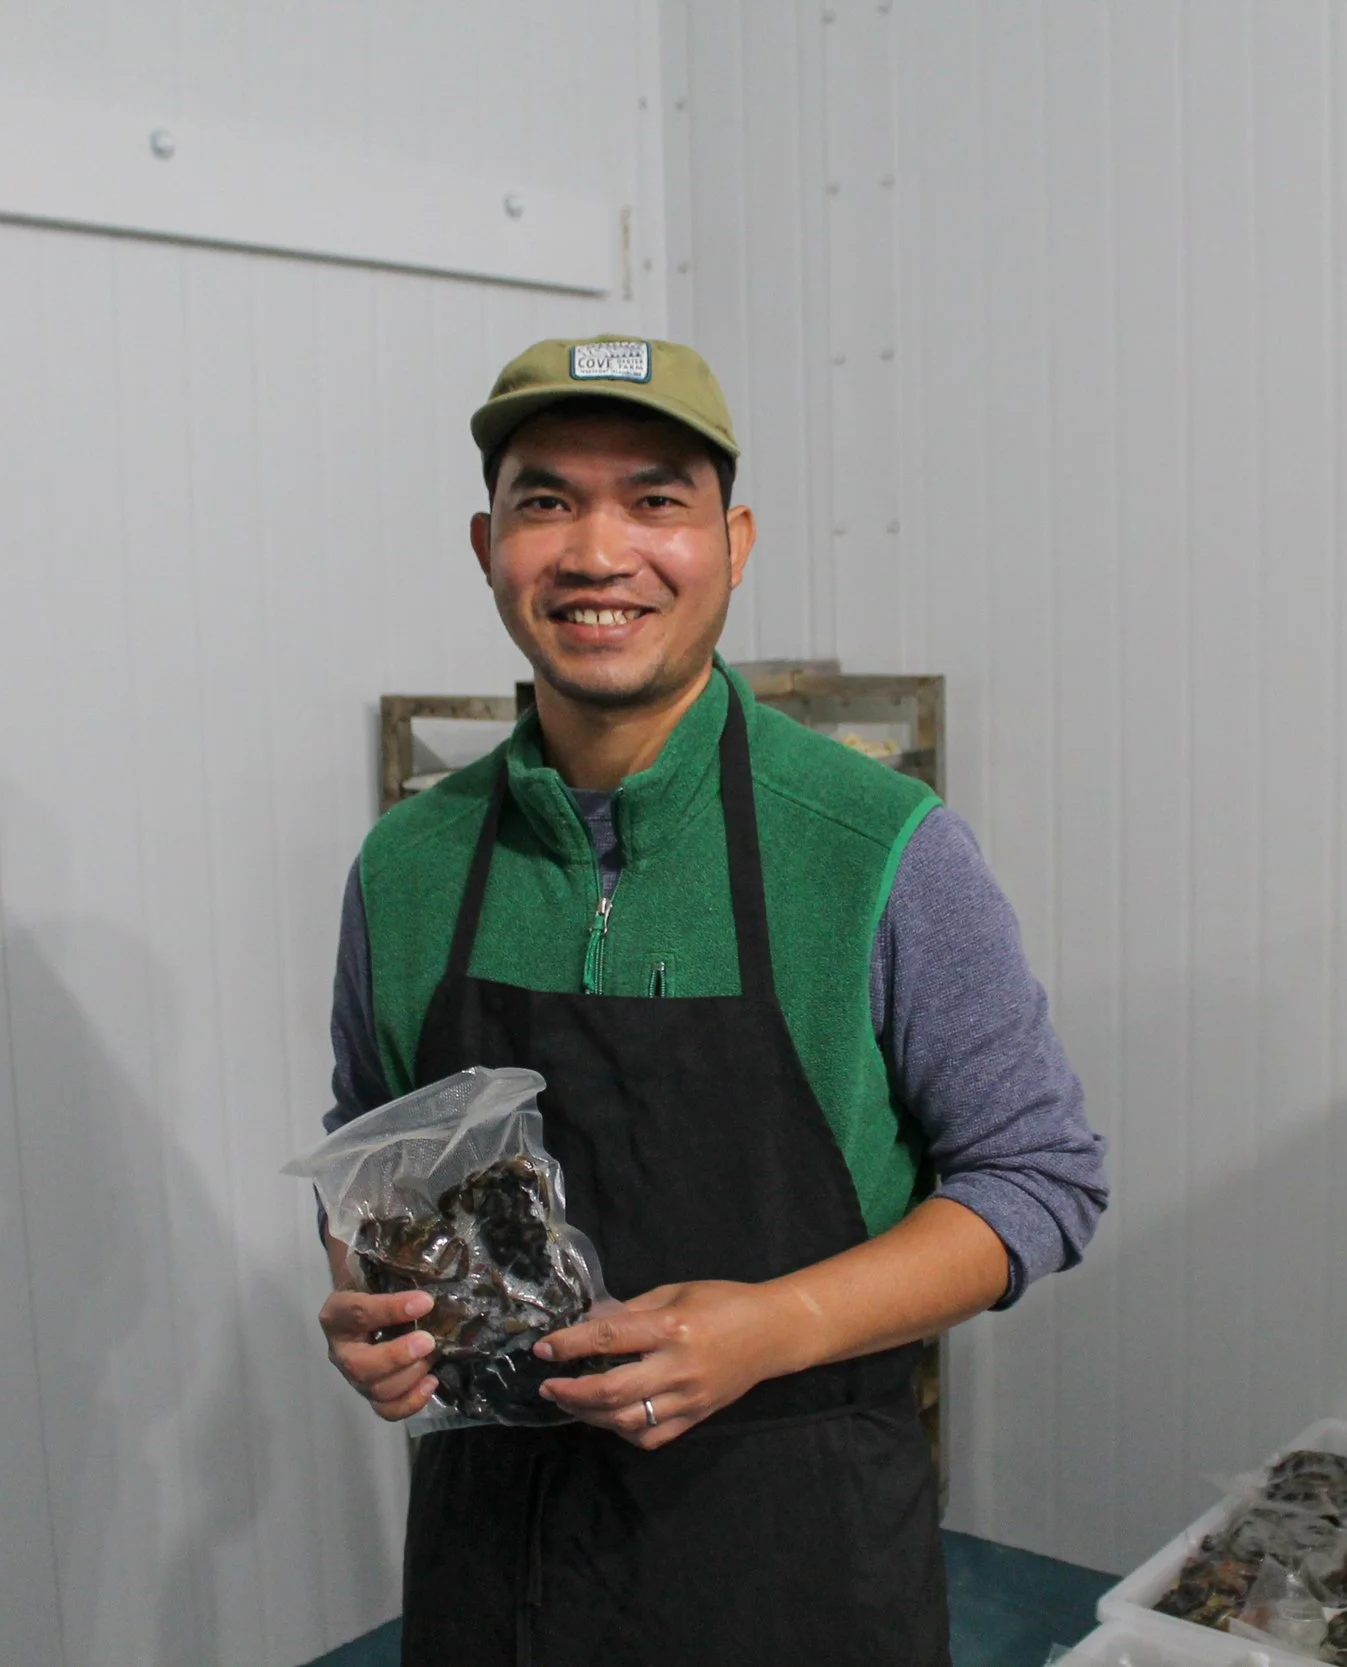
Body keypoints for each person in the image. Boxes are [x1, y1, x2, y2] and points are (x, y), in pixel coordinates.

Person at [315, 334, 1108, 1666]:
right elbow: (366, 1156)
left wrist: (775, 1323)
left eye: (656, 499)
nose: (596, 549)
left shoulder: (877, 846)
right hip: (495, 1579)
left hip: (794, 1566)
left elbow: (1039, 1178)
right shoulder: (408, 866)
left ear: (734, 541)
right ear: (487, 542)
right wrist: (367, 1298)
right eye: (546, 500)